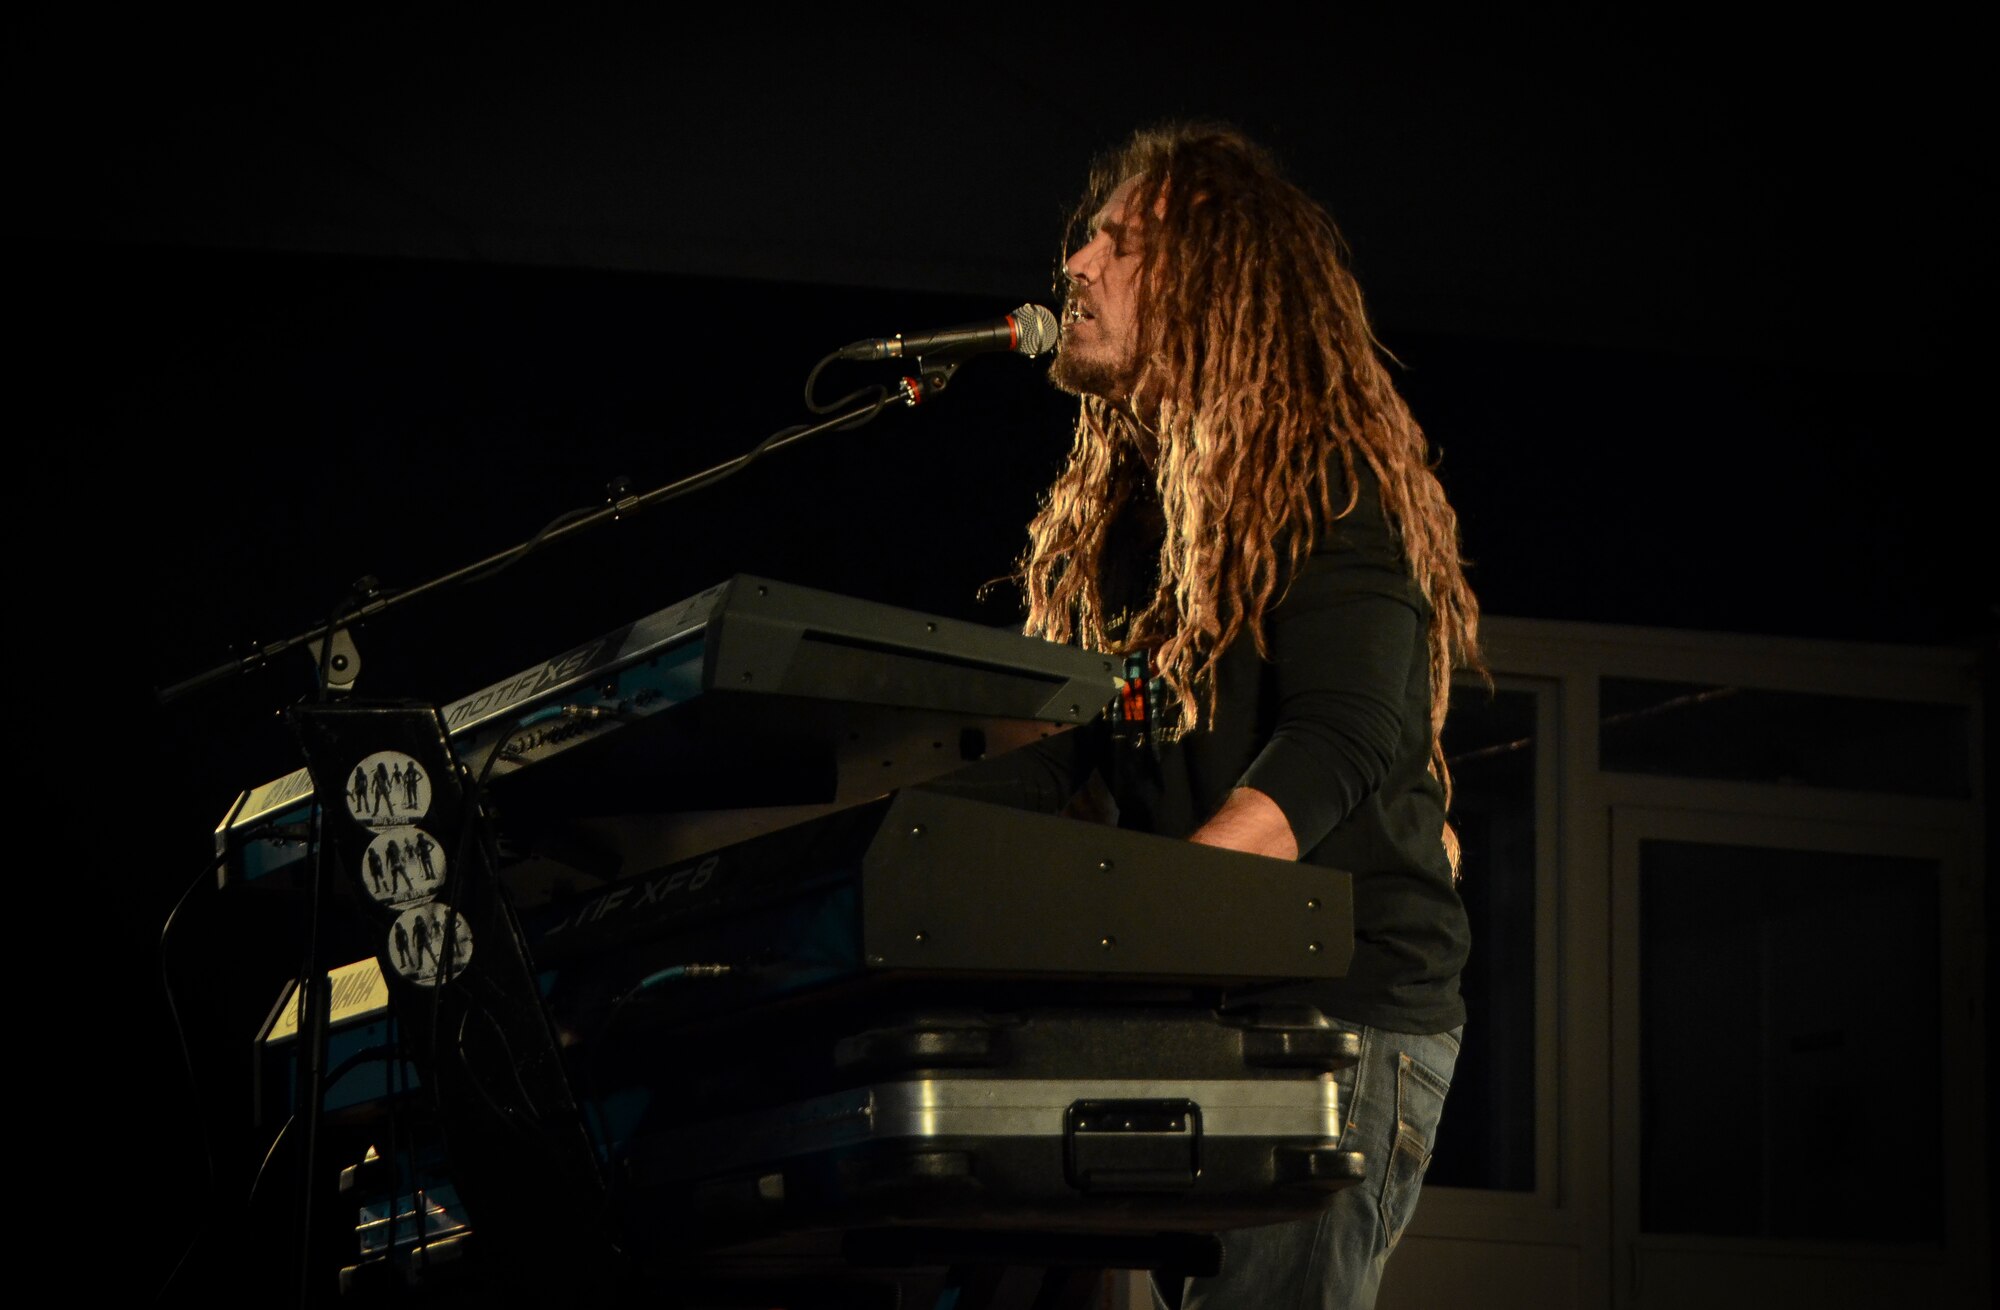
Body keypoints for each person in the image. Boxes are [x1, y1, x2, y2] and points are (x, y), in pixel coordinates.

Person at [1021, 123, 1483, 1309]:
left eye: (1114, 245)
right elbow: (1070, 763)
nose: (1073, 264)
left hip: (1339, 1015)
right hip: (1212, 1002)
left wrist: (1137, 914)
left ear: (1209, 281)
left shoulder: (1323, 471)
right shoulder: (1127, 520)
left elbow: (1330, 746)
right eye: (1084, 239)